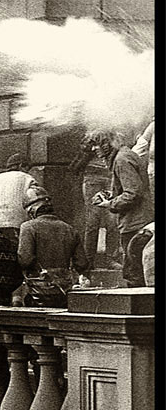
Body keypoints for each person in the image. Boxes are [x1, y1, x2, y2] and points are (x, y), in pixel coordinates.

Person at [93, 131, 153, 288]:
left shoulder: (121, 160)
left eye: (96, 144)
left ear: (107, 145)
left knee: (134, 273)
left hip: (135, 224)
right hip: (139, 221)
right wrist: (109, 195)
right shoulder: (125, 156)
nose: (94, 149)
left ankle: (140, 310)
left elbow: (133, 193)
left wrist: (110, 204)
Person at [18, 189, 89, 305]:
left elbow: (25, 260)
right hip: (63, 293)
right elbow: (82, 263)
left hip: (37, 293)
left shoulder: (28, 227)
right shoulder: (70, 229)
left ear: (32, 211)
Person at [68, 136, 121, 272]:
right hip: (92, 178)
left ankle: (110, 259)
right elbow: (80, 157)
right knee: (93, 221)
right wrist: (89, 144)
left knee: (112, 220)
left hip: (109, 176)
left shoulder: (113, 132)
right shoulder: (91, 133)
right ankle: (88, 260)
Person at [0, 153, 41, 239]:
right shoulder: (28, 179)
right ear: (21, 165)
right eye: (27, 168)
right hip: (19, 226)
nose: (28, 171)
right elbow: (36, 202)